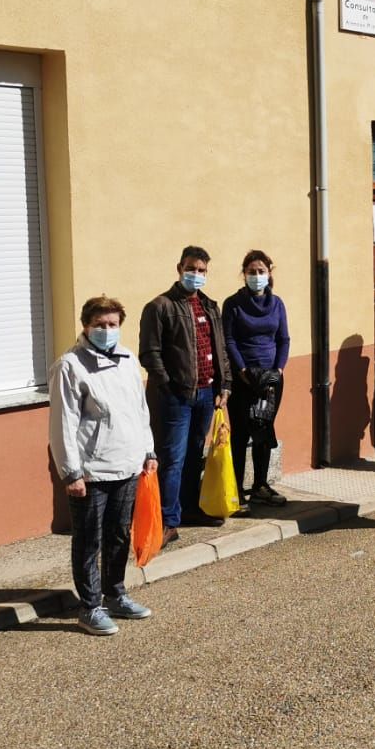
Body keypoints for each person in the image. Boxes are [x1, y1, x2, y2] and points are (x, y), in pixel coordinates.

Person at [48, 296, 159, 635]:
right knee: (88, 540)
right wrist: (71, 472)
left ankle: (116, 594)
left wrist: (148, 452)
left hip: (126, 465)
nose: (106, 330)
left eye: (112, 324)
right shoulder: (70, 366)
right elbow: (62, 423)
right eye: (100, 324)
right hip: (91, 472)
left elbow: (139, 410)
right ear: (86, 326)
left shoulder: (127, 361)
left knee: (118, 535)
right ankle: (90, 606)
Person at [139, 245, 232, 543]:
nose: (196, 274)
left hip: (207, 394)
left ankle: (190, 508)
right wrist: (167, 385)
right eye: (191, 269)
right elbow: (149, 353)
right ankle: (168, 521)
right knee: (173, 459)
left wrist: (225, 385)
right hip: (177, 397)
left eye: (202, 270)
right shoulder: (160, 306)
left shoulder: (210, 306)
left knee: (195, 456)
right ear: (179, 268)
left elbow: (220, 349)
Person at [222, 251, 292, 509]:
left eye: (261, 271)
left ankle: (260, 485)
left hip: (271, 379)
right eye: (251, 271)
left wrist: (279, 370)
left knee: (264, 430)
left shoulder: (277, 304)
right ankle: (236, 488)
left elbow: (283, 338)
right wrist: (241, 370)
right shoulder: (233, 304)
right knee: (240, 433)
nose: (256, 276)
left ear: (269, 273)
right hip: (244, 378)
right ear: (244, 274)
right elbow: (228, 339)